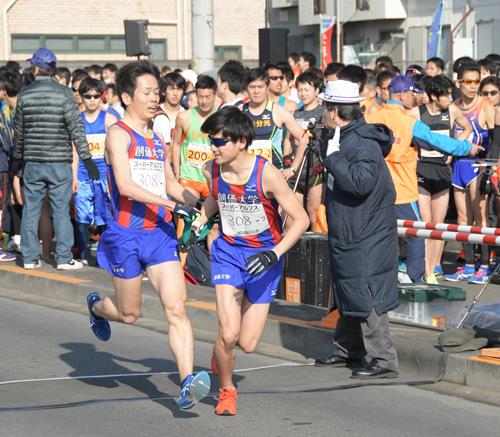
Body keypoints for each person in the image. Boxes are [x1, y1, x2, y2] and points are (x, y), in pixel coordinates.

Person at [89, 60, 210, 410]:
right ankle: (97, 308)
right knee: (129, 314)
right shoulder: (118, 133)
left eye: (157, 92)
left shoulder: (158, 137)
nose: (155, 98)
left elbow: (171, 184)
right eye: (147, 92)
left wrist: (198, 203)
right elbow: (126, 186)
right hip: (125, 234)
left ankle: (187, 381)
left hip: (159, 235)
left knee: (177, 308)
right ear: (127, 97)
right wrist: (171, 205)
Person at [196, 106, 309, 415]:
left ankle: (222, 351)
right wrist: (197, 222)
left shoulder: (267, 174)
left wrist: (274, 253)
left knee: (246, 343)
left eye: (219, 142)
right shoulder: (211, 169)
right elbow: (214, 200)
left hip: (264, 259)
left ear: (241, 142)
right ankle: (227, 390)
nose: (213, 147)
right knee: (229, 333)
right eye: (211, 141)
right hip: (228, 255)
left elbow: (301, 219)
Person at [314, 80, 399, 379]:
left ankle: (384, 359)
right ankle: (348, 348)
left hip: (366, 230)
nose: (322, 111)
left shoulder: (361, 142)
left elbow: (360, 183)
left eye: (325, 106)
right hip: (351, 227)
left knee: (367, 289)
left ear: (336, 111)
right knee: (348, 287)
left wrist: (333, 158)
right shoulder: (344, 135)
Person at [365, 76, 475, 283]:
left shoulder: (371, 117)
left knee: (379, 236)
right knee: (416, 235)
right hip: (401, 190)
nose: (416, 97)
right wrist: (467, 147)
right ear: (403, 94)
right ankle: (417, 280)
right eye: (414, 93)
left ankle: (376, 280)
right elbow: (438, 142)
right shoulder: (409, 122)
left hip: (373, 189)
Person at [12, 48, 99, 270]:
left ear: (36, 68)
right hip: (60, 162)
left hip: (32, 161)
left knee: (31, 210)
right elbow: (76, 130)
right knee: (60, 210)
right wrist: (87, 159)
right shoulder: (64, 95)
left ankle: (30, 259)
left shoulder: (25, 94)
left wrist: (17, 159)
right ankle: (63, 258)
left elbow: (19, 132)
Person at [409, 75, 472, 283]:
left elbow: (468, 128)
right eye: (446, 94)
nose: (450, 97)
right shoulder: (417, 112)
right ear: (434, 95)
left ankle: (434, 267)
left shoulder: (452, 110)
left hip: (442, 171)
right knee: (425, 224)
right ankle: (426, 270)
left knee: (438, 225)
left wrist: (453, 150)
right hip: (422, 170)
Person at [445, 63, 496, 284]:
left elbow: (495, 139)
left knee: (480, 218)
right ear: (459, 83)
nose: (473, 86)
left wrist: (491, 165)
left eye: (477, 81)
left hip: (478, 166)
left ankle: (484, 266)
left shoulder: (485, 106)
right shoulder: (454, 105)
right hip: (459, 166)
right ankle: (467, 265)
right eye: (469, 82)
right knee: (463, 218)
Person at [73, 77, 117, 264]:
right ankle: (83, 253)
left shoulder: (109, 119)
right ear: (81, 97)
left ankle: (104, 254)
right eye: (87, 96)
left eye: (95, 96)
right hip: (83, 175)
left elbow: (115, 152)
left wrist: (113, 177)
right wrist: (73, 176)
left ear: (102, 96)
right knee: (82, 214)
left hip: (103, 175)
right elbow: (74, 151)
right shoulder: (77, 120)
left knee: (104, 214)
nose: (92, 99)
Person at [241, 68, 308, 178]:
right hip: (246, 174)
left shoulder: (278, 111)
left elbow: (304, 138)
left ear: (267, 88)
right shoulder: (240, 112)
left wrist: (292, 169)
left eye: (260, 87)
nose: (256, 91)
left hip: (274, 175)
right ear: (246, 89)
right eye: (252, 87)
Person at [283, 71, 325, 228]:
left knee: (314, 215)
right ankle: (293, 251)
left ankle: (316, 251)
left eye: (307, 90)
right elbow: (288, 139)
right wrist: (286, 158)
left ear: (316, 91)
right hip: (295, 171)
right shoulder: (295, 113)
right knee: (292, 217)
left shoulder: (323, 113)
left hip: (315, 170)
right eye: (300, 90)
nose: (303, 94)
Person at [172, 75, 217, 201]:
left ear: (215, 95)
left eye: (207, 97)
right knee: (187, 216)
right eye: (200, 97)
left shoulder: (221, 119)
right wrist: (177, 171)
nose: (203, 101)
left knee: (212, 219)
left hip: (212, 178)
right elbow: (176, 144)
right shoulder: (183, 117)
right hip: (189, 177)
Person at [153, 72, 186, 162]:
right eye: (171, 89)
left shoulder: (186, 114)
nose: (175, 93)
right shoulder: (154, 113)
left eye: (179, 89)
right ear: (164, 92)